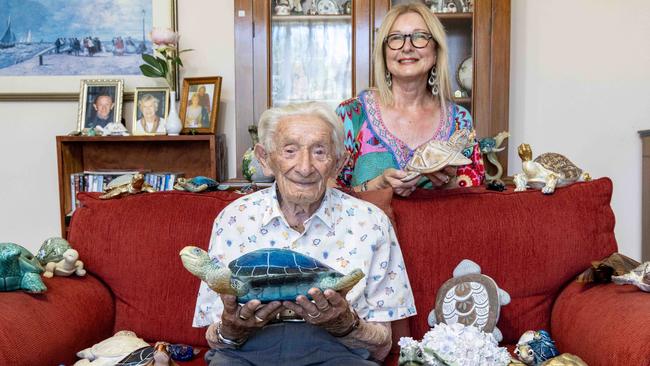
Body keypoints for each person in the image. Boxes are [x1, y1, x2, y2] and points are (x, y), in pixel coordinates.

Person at [192, 101, 416, 366]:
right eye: (290, 151)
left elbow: (381, 348)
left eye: (319, 152)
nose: (305, 167)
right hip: (246, 355)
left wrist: (345, 324)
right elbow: (214, 336)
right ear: (265, 158)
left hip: (338, 354)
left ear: (338, 162)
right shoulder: (233, 219)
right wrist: (232, 330)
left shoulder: (371, 223)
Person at [336, 2, 485, 197]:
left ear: (435, 51)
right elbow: (326, 193)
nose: (407, 47)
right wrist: (375, 186)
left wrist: (449, 184)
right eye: (396, 38)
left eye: (419, 37)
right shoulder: (351, 114)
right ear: (384, 52)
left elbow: (478, 198)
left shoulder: (460, 121)